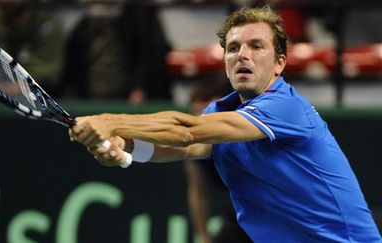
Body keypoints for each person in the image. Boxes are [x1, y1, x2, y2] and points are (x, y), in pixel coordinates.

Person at [69, 6, 382, 242]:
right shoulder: (220, 110)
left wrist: (111, 121)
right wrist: (123, 148)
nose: (242, 55)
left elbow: (185, 131)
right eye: (233, 48)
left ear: (280, 62)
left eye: (256, 46)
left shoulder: (285, 106)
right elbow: (185, 146)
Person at [185, 78, 252, 243]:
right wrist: (204, 236)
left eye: (207, 114)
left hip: (274, 215)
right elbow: (198, 192)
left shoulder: (245, 133)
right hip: (237, 215)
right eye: (197, 116)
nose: (202, 122)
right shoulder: (195, 146)